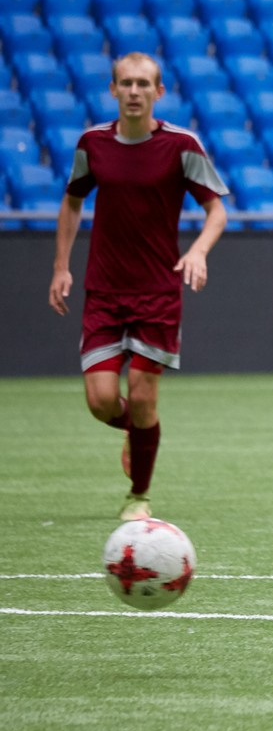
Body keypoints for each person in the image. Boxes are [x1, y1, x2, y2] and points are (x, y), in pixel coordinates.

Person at [48, 52, 229, 521]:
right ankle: (139, 431)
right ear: (113, 90)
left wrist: (198, 251)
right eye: (126, 83)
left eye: (143, 84)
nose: (134, 91)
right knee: (101, 401)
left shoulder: (181, 146)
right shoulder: (93, 143)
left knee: (145, 396)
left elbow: (217, 211)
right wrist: (61, 267)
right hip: (104, 291)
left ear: (158, 92)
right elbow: (72, 201)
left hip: (158, 293)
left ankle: (138, 496)